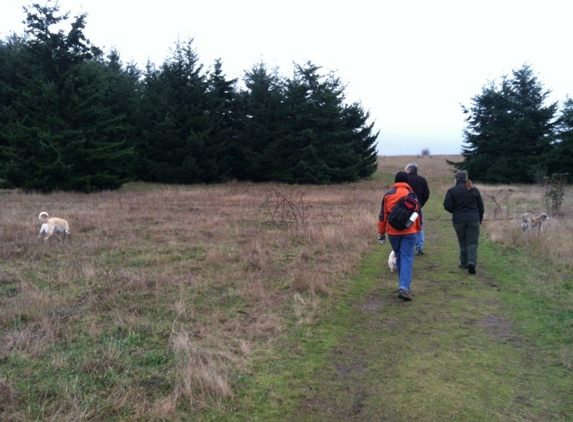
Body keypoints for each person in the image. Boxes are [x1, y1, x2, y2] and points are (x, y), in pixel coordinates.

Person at [378, 171, 422, 301]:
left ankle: (402, 286)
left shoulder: (388, 195)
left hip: (393, 232)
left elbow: (383, 216)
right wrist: (418, 229)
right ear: (407, 182)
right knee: (407, 258)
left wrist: (381, 233)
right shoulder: (412, 195)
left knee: (399, 256)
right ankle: (404, 287)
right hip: (409, 232)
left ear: (395, 181)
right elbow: (418, 215)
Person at [443, 170, 484, 275]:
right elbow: (480, 206)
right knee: (472, 242)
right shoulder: (474, 190)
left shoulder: (452, 191)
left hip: (459, 220)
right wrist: (480, 218)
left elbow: (447, 205)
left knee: (462, 242)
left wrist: (455, 211)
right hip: (473, 219)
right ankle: (472, 262)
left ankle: (464, 262)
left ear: (456, 179)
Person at [405, 163, 430, 255]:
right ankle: (419, 248)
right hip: (418, 207)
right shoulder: (422, 179)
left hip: (405, 208)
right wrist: (420, 204)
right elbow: (426, 194)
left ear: (409, 170)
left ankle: (407, 247)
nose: (405, 171)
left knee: (406, 226)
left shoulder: (404, 179)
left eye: (406, 169)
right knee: (419, 226)